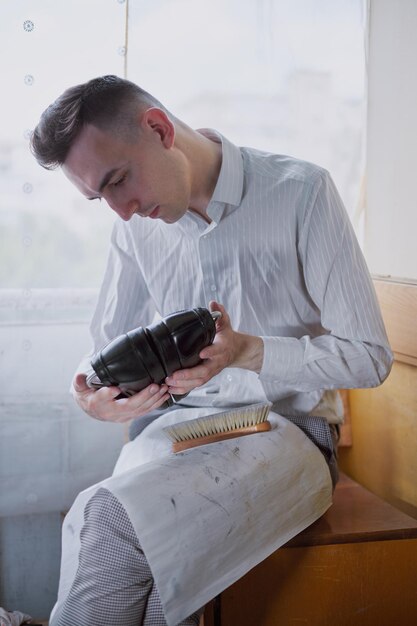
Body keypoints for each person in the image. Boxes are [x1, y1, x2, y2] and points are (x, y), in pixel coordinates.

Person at [31, 75, 392, 626]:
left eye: (118, 180)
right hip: (170, 437)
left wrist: (250, 352)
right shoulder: (133, 229)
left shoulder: (302, 192)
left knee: (108, 519)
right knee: (146, 580)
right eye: (98, 198)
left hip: (288, 433)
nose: (120, 211)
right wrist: (92, 395)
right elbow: (100, 352)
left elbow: (370, 356)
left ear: (158, 128)